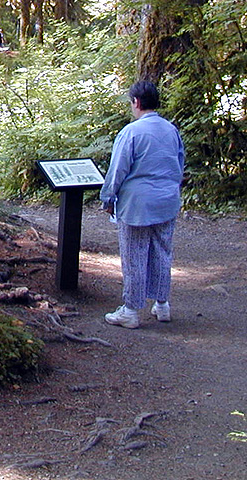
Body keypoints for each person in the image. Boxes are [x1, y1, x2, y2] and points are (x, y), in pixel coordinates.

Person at [99, 80, 185, 329]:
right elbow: (179, 164)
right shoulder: (171, 130)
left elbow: (118, 169)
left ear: (136, 102)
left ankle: (130, 310)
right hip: (167, 200)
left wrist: (108, 197)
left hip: (137, 204)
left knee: (134, 255)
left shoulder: (131, 132)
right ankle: (162, 304)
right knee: (162, 252)